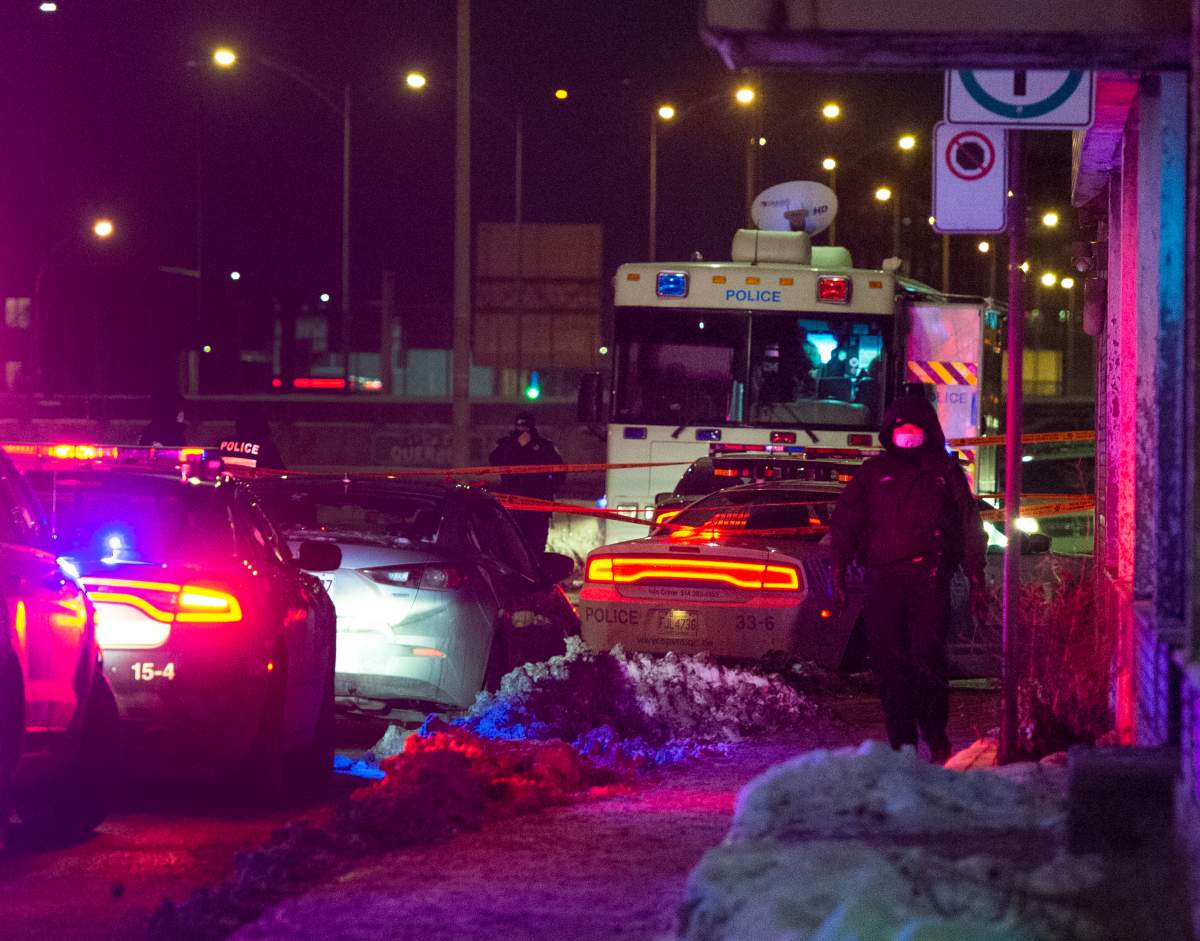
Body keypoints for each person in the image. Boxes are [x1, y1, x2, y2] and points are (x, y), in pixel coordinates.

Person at [830, 393, 987, 764]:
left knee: (927, 659)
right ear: (890, 431)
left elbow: (968, 524)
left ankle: (935, 734)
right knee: (888, 664)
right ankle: (902, 745)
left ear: (928, 431)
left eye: (916, 428)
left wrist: (976, 575)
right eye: (902, 428)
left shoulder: (945, 473)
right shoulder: (873, 473)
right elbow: (846, 521)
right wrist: (838, 568)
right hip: (883, 581)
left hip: (928, 580)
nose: (908, 434)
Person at [489, 412, 565, 553]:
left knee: (536, 545)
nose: (522, 429)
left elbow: (560, 472)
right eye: (519, 426)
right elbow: (494, 460)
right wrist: (515, 445)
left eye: (525, 426)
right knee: (512, 546)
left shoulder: (544, 446)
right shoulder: (506, 444)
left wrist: (548, 490)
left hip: (537, 505)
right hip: (512, 504)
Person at [218, 407, 285, 474]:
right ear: (260, 425)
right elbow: (280, 473)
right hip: (255, 484)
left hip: (226, 483)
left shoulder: (221, 443)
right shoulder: (265, 446)